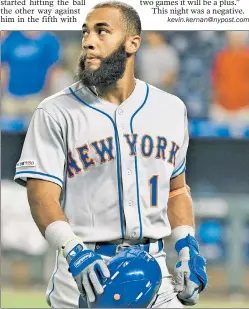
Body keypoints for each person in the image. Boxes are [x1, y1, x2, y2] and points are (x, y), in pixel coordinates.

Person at [14, 1, 207, 308]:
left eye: (102, 31)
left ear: (133, 43)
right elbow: (41, 197)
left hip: (154, 274)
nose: (89, 41)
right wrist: (73, 251)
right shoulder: (55, 111)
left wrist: (186, 244)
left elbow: (176, 189)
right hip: (84, 273)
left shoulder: (171, 109)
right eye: (86, 32)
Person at [1, 31, 61, 116]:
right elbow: (3, 65)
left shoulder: (49, 40)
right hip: (12, 98)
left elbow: (53, 70)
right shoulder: (11, 37)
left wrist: (48, 96)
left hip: (37, 97)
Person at [211, 31, 249, 126]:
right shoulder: (221, 57)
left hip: (244, 108)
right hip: (222, 108)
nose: (235, 41)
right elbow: (216, 80)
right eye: (233, 38)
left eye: (238, 38)